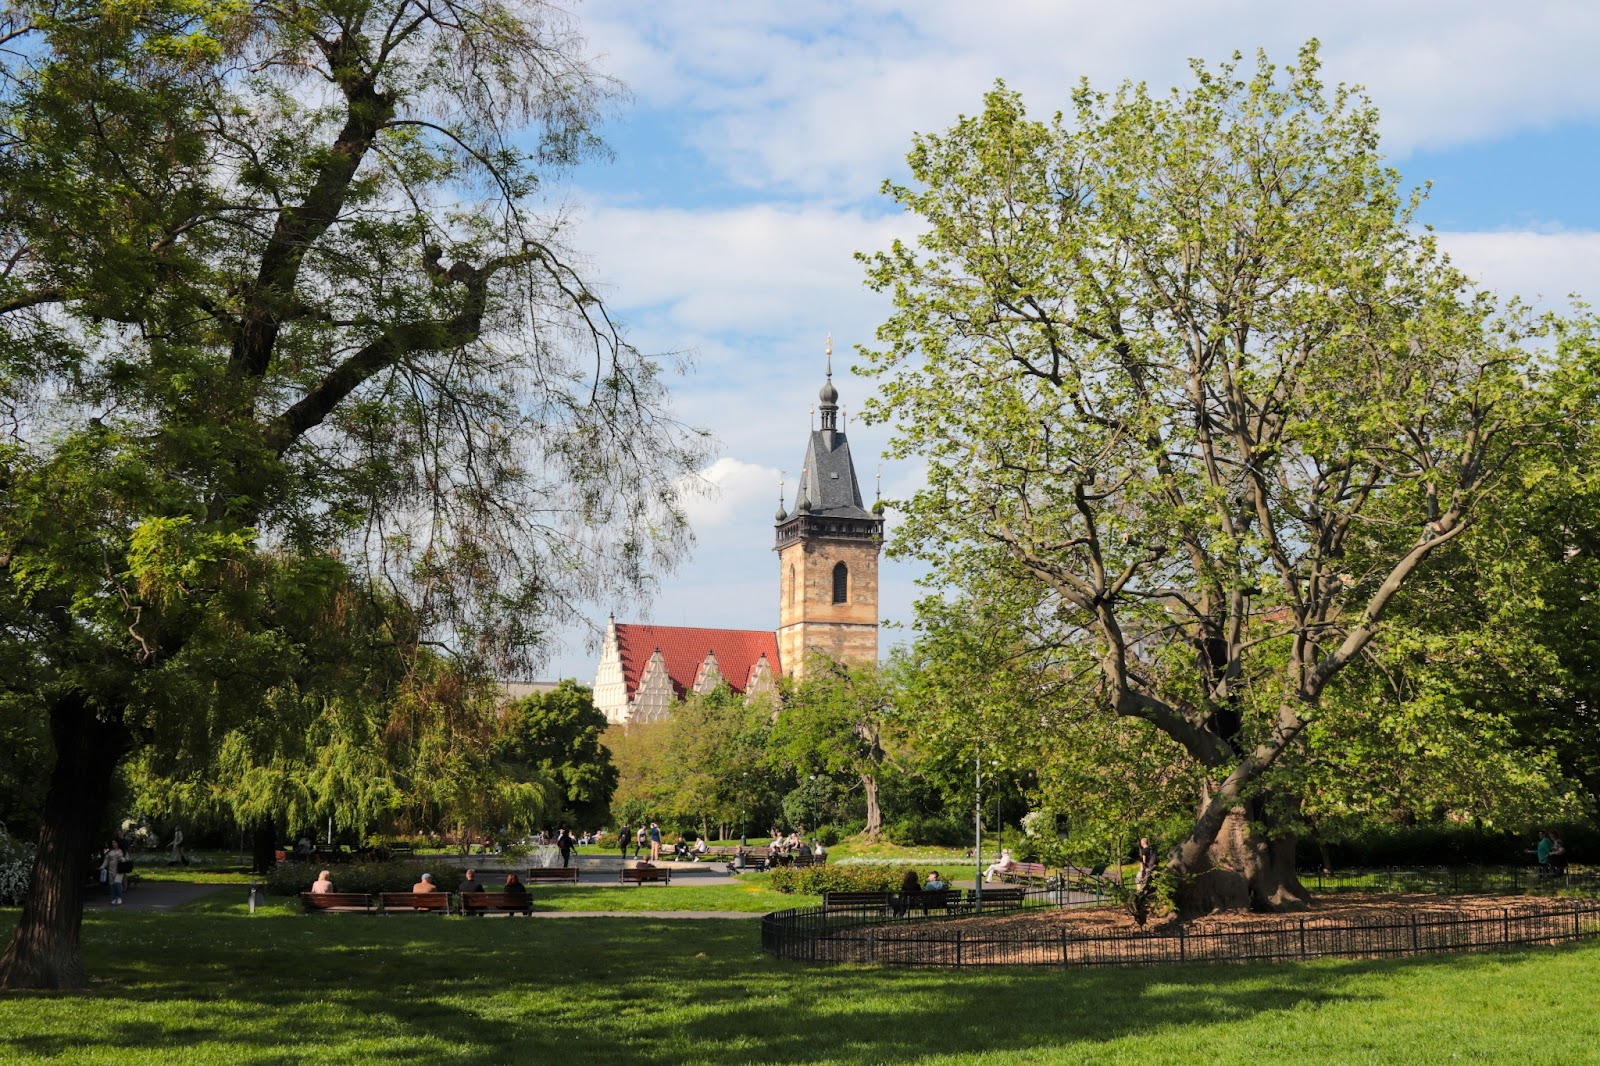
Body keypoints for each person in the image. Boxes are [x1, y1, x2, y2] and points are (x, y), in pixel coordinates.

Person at [102, 838, 129, 906]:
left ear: (118, 843)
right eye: (112, 843)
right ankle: (114, 898)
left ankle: (119, 897)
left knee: (117, 883)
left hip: (120, 869)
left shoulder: (123, 851)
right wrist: (102, 867)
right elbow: (106, 860)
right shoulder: (110, 852)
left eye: (115, 842)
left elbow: (127, 859)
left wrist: (121, 859)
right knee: (112, 885)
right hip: (111, 870)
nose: (113, 844)